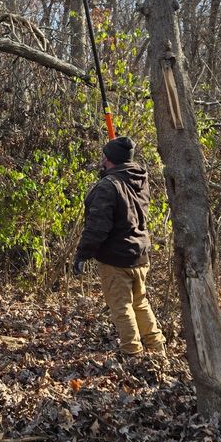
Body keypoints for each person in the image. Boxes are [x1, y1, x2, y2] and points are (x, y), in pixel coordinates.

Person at [72, 136, 167, 364]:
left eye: (105, 157)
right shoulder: (140, 179)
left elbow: (97, 227)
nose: (102, 160)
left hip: (117, 259)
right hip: (140, 255)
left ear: (110, 159)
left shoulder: (108, 186)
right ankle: (157, 351)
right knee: (140, 303)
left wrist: (82, 254)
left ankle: (133, 355)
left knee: (122, 308)